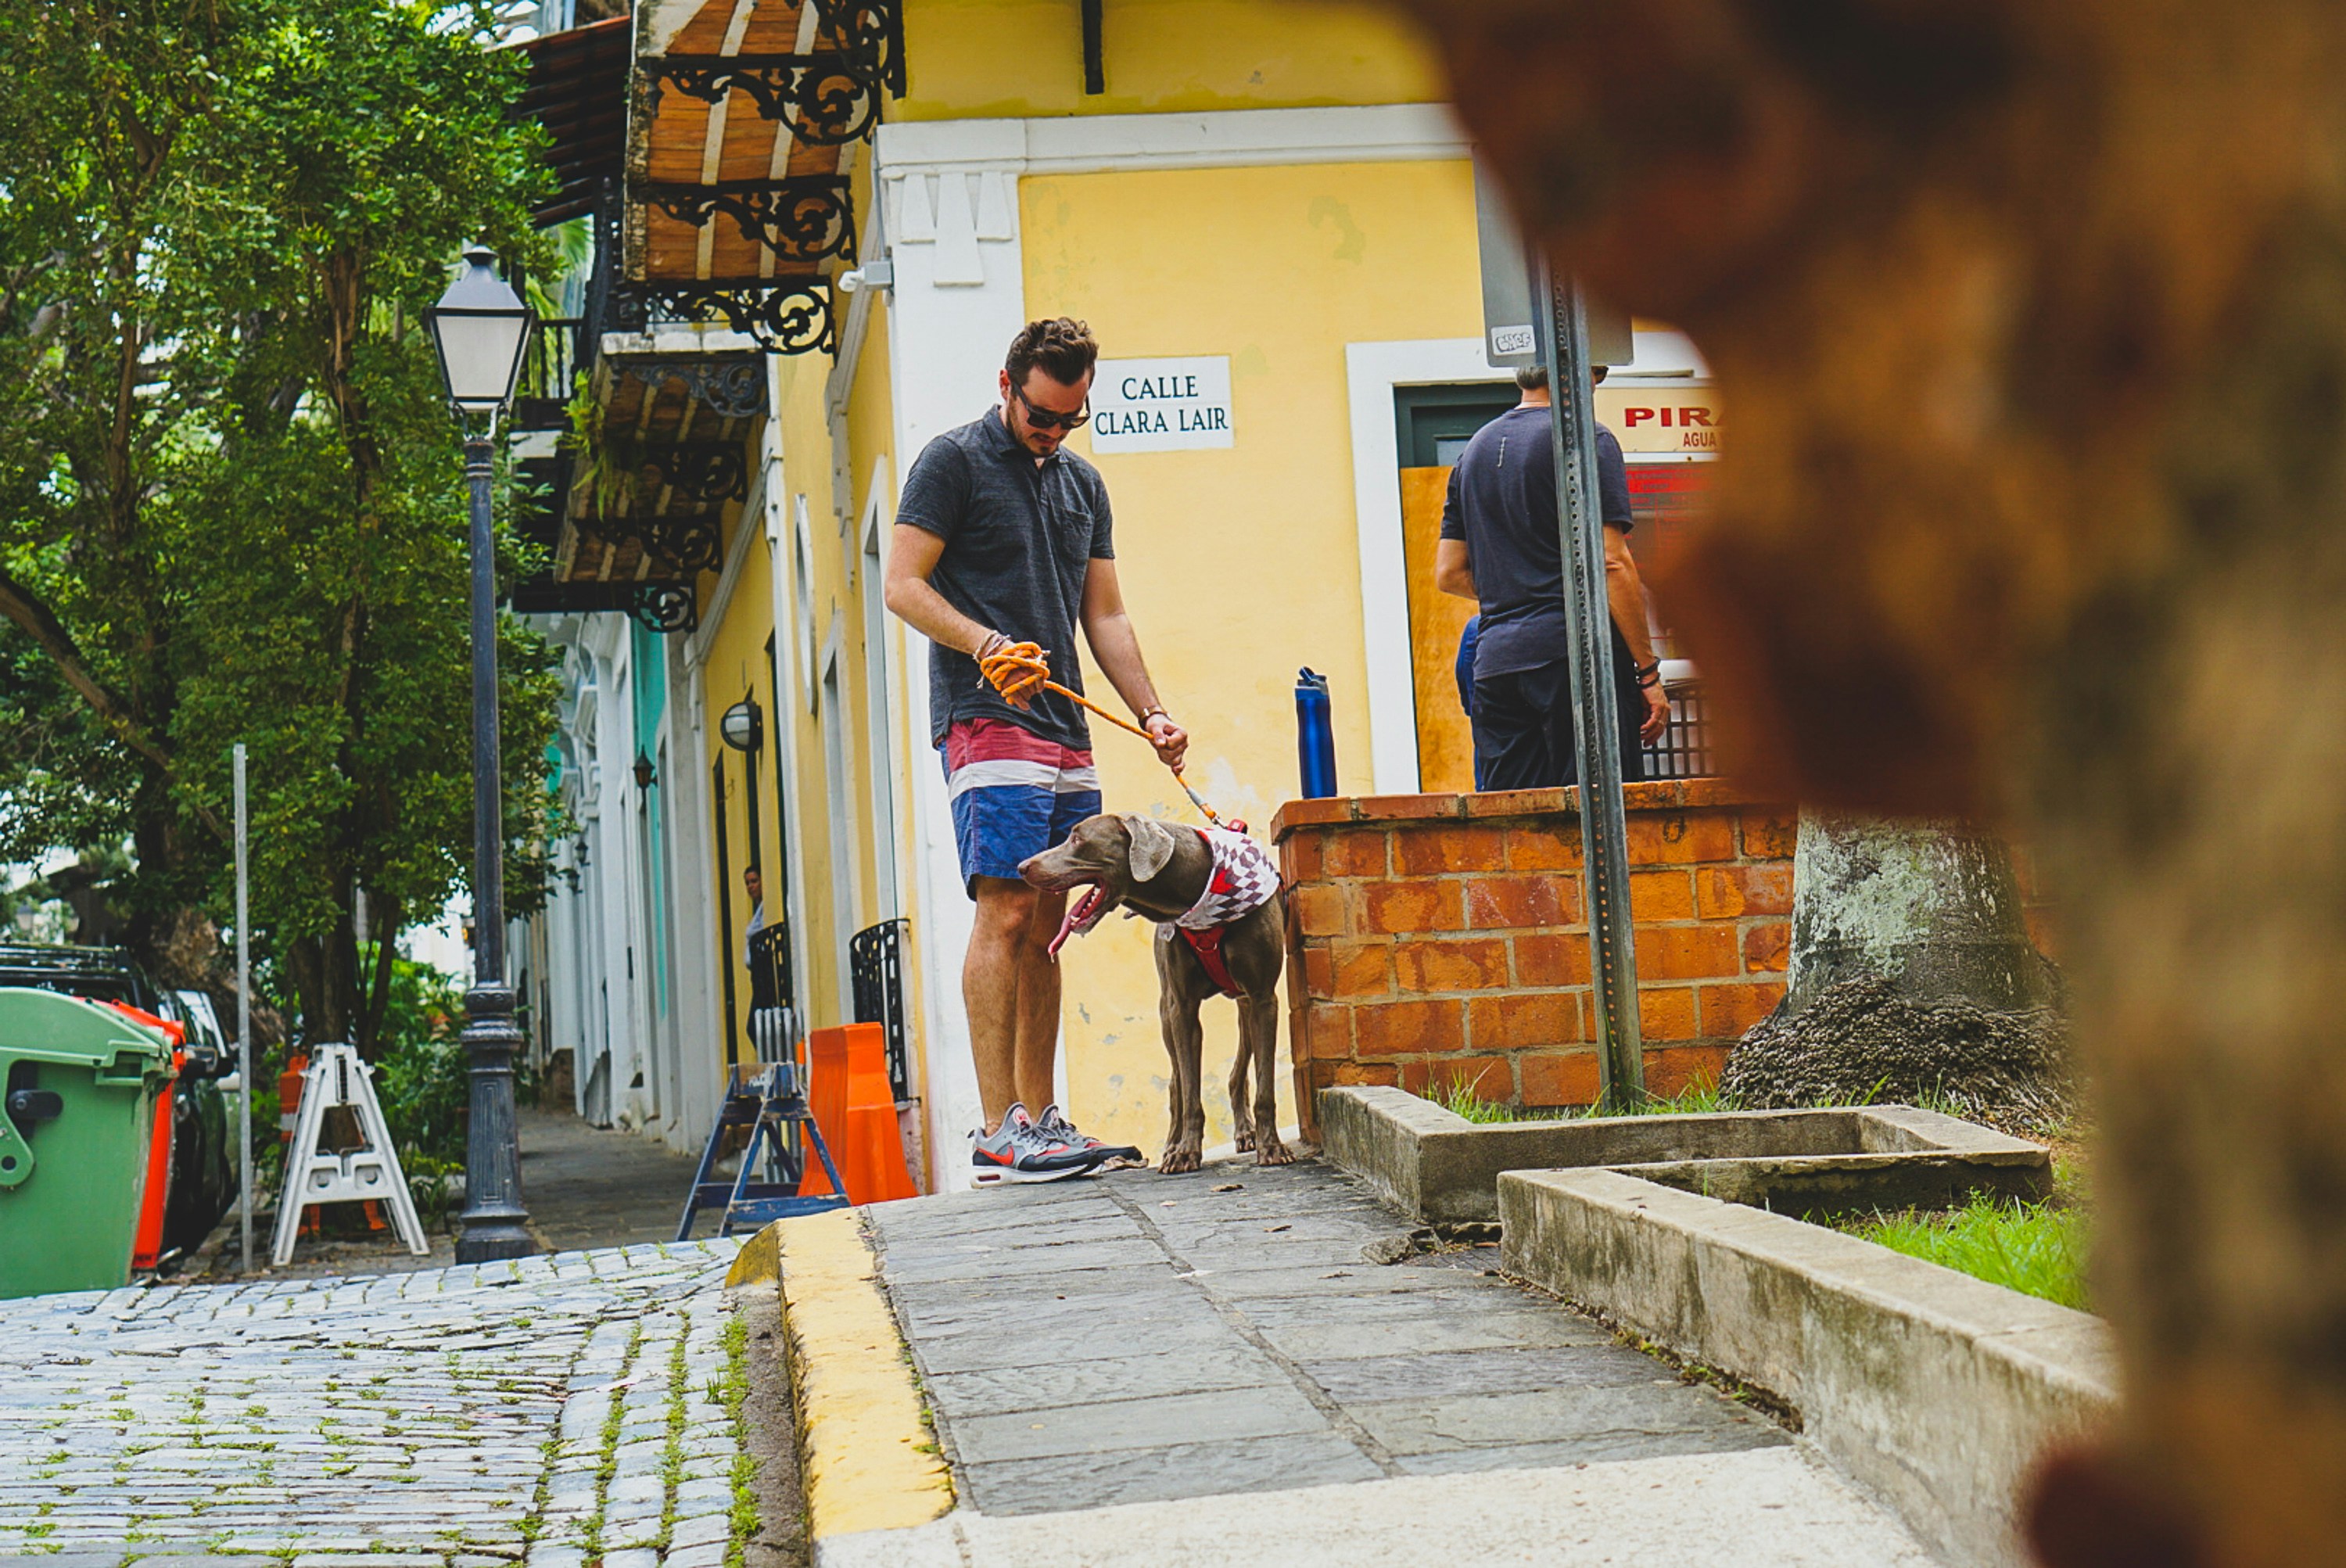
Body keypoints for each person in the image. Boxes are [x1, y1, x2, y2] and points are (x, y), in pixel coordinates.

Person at [884, 317, 1182, 1184]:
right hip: (988, 712)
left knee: (1049, 923)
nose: (1052, 432)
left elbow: (1106, 617)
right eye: (1042, 414)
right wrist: (983, 643)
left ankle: (1042, 1120)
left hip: (1067, 727)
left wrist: (1154, 713)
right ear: (1007, 384)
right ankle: (994, 1125)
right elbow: (903, 585)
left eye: (1070, 417)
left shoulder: (1083, 485)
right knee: (1007, 906)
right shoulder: (953, 461)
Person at [1434, 364, 1671, 790]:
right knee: (1604, 813)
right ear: (1587, 374)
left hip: (1496, 665)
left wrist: (1517, 586)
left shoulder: (1473, 452)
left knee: (1521, 823)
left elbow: (1449, 573)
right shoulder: (1587, 439)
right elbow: (1612, 564)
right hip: (1576, 660)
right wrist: (1648, 674)